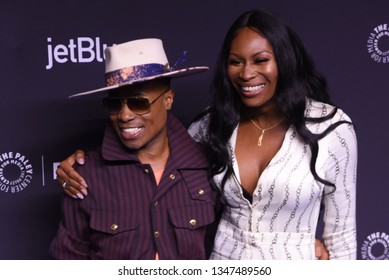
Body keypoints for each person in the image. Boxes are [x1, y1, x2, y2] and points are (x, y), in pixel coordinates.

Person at [56, 9, 352, 260]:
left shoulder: (331, 129)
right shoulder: (210, 127)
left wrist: (297, 246)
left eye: (260, 60)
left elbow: (342, 234)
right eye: (235, 62)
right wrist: (76, 164)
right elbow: (155, 153)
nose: (246, 73)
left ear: (284, 61)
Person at [50, 38, 218, 259]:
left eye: (138, 102)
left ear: (168, 100)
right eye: (115, 104)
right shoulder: (84, 177)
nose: (125, 115)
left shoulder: (208, 165)